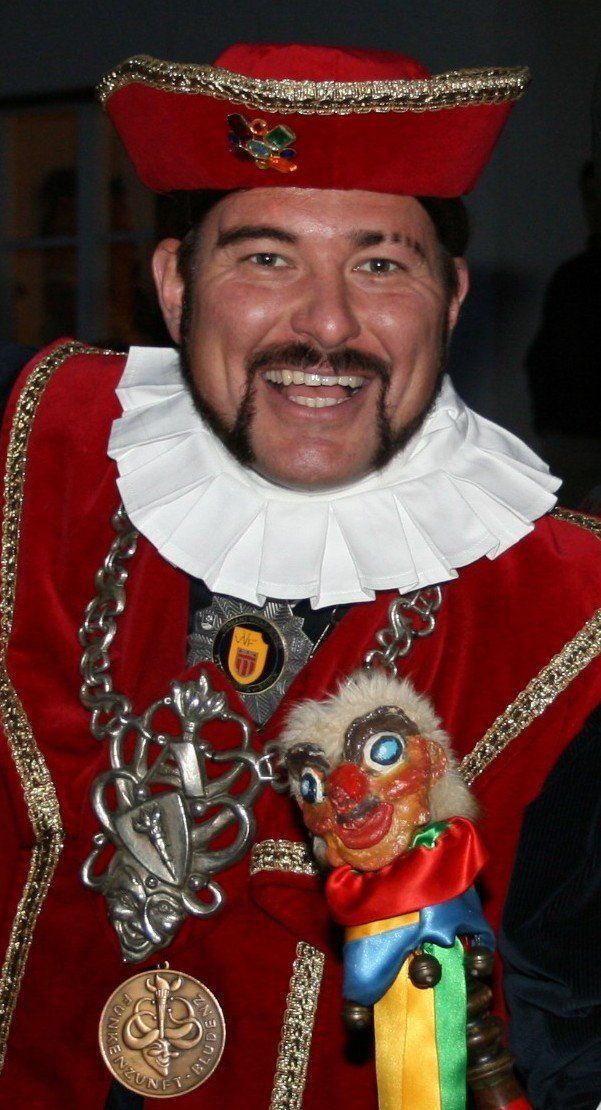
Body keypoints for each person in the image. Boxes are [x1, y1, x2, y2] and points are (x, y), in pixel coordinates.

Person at [0, 43, 599, 1109]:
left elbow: (570, 1022)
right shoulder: (39, 461)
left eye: (381, 267)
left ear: (451, 299)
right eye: (266, 259)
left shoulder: (570, 610)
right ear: (176, 286)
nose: (325, 325)